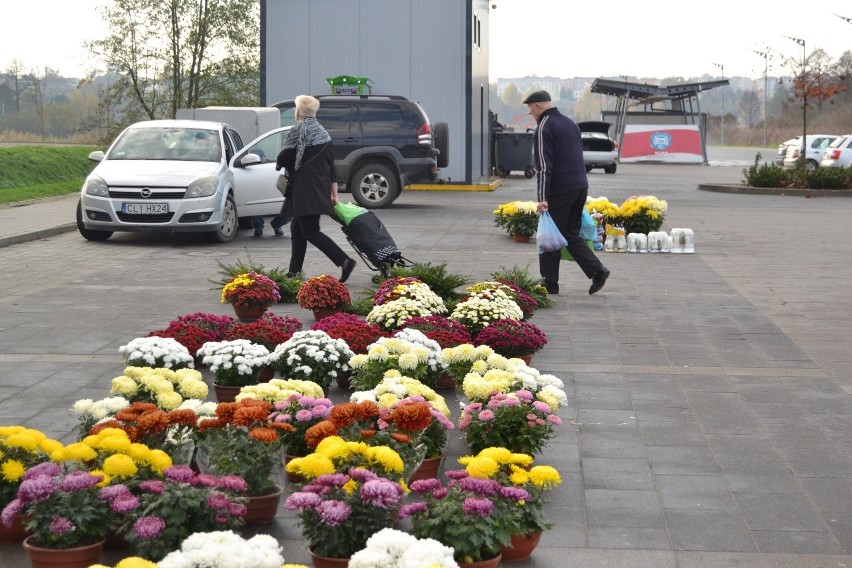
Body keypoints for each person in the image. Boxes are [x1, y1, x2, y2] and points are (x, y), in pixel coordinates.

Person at [524, 90, 609, 295]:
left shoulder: (544, 126)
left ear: (537, 107)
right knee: (570, 234)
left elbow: (544, 166)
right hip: (579, 187)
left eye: (530, 110)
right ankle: (597, 271)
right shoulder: (570, 123)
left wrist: (542, 198)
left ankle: (550, 283)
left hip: (560, 190)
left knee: (550, 235)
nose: (531, 115)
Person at [275, 95, 357, 282]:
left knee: (310, 231)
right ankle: (294, 272)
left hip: (303, 190)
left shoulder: (298, 131)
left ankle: (345, 261)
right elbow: (331, 167)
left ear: (298, 112)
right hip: (317, 189)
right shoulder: (324, 134)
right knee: (297, 229)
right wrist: (334, 194)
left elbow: (284, 157)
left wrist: (280, 162)